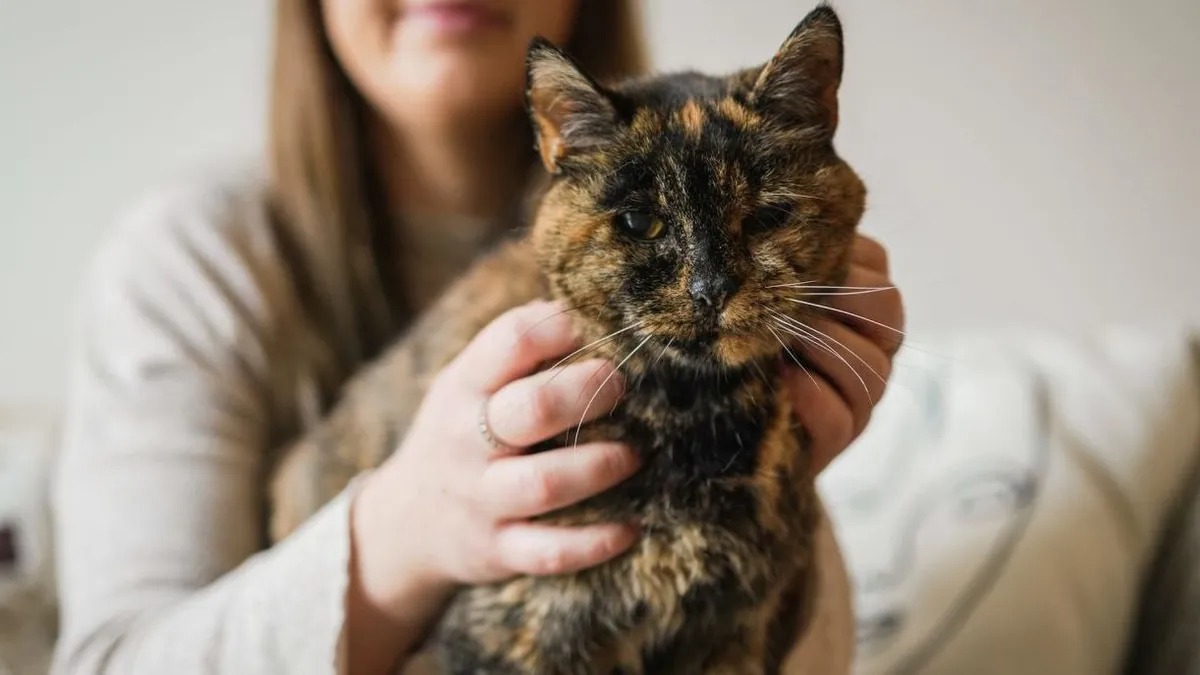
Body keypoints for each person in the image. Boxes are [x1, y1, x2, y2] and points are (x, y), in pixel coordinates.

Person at [50, 1, 905, 673]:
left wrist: (783, 478)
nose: (711, 286)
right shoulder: (195, 259)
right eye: (641, 224)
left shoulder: (773, 267)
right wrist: (400, 531)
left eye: (757, 223)